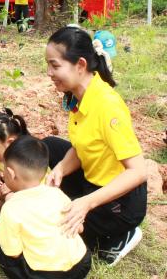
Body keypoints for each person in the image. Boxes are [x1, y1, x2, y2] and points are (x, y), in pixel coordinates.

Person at [45, 26, 147, 266]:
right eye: (48, 65)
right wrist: (60, 168)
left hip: (122, 201)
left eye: (55, 65)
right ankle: (84, 207)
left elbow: (138, 171)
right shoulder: (76, 97)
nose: (49, 72)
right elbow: (82, 146)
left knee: (57, 230)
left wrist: (86, 203)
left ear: (80, 65)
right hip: (93, 178)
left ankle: (119, 238)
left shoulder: (108, 105)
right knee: (48, 147)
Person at [0, 135, 91, 279]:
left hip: (48, 274)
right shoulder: (57, 193)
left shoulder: (10, 209)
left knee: (1, 251)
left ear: (11, 173)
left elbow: (13, 253)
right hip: (81, 263)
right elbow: (80, 228)